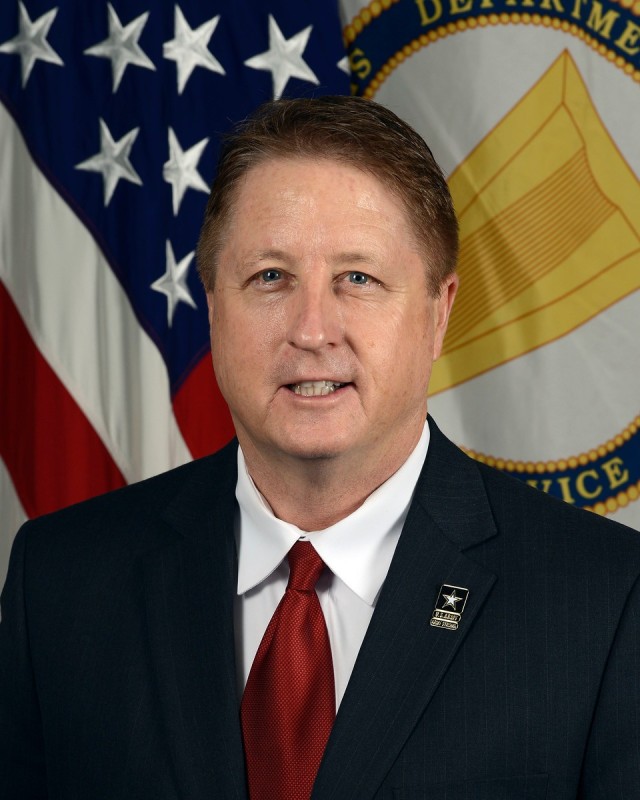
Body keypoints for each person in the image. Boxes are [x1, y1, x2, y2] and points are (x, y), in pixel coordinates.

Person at [1, 96, 639, 800]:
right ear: (213, 306)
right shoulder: (59, 582)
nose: (312, 329)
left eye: (357, 279)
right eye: (270, 277)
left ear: (438, 311)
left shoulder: (605, 602)